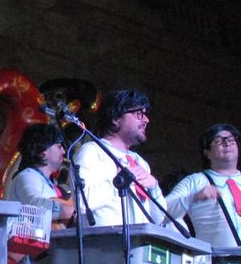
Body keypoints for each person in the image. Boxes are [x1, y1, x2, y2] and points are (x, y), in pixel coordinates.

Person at [69, 89, 169, 226]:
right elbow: (81, 203)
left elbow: (158, 219)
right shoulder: (92, 152)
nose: (146, 120)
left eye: (145, 115)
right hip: (105, 245)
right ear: (116, 118)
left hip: (136, 243)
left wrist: (154, 187)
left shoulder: (140, 163)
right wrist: (118, 182)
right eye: (139, 113)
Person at [9, 123, 75, 224]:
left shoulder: (48, 183)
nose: (63, 151)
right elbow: (34, 205)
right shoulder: (27, 176)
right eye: (58, 146)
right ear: (42, 152)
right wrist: (73, 211)